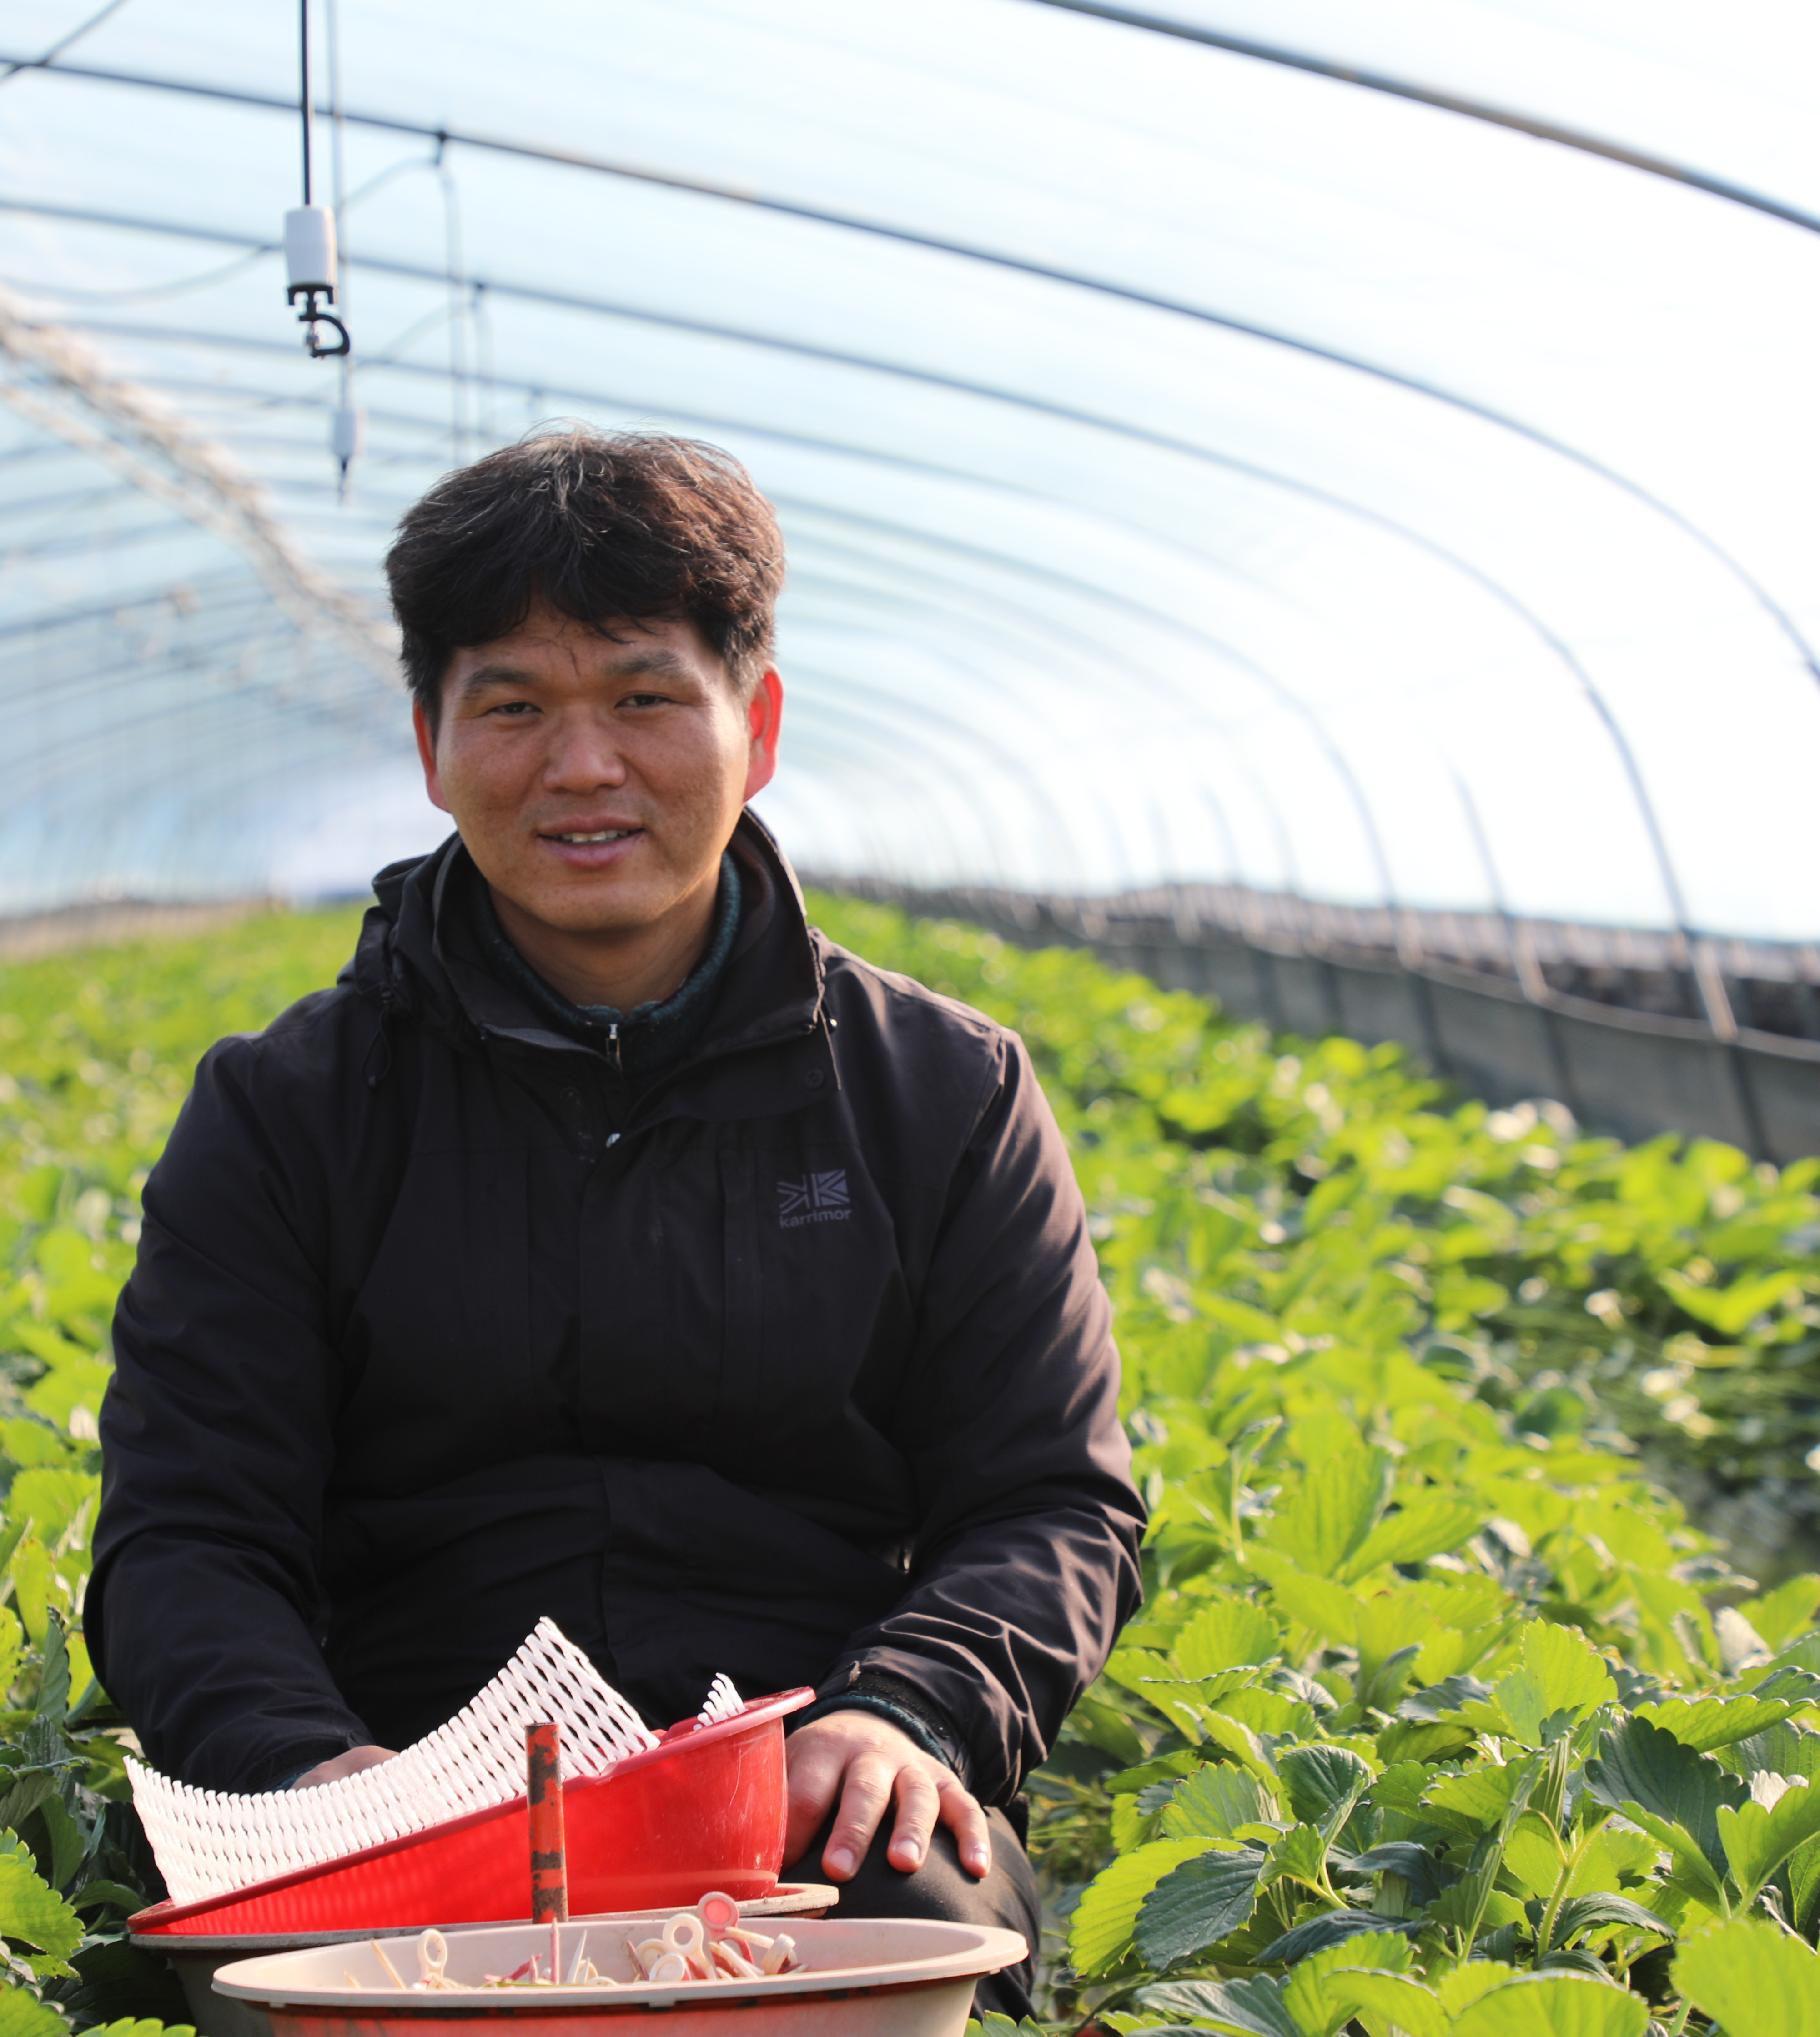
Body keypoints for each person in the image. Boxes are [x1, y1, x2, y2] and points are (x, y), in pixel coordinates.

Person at [88, 426, 1142, 2017]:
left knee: (916, 1918)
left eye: (645, 698)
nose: (583, 767)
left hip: (791, 1771)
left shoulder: (940, 1093)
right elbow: (188, 1531)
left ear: (756, 725)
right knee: (223, 1962)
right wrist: (307, 1767)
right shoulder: (289, 1108)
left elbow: (1053, 1501)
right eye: (513, 705)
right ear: (433, 743)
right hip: (407, 1777)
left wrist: (908, 1713)